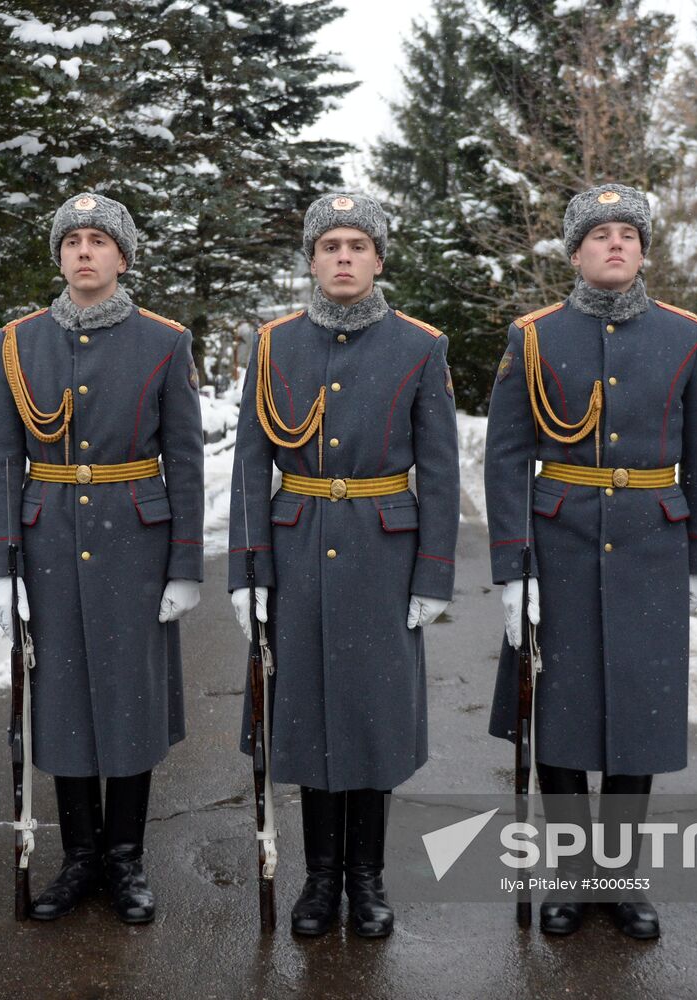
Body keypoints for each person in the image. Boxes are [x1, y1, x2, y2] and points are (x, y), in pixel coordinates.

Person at [484, 183, 697, 939]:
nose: (615, 244)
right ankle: (569, 873)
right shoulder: (534, 337)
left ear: (643, 251)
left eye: (628, 234)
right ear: (575, 253)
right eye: (599, 234)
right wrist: (512, 566)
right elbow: (505, 458)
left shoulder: (686, 336)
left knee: (638, 714)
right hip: (559, 542)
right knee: (556, 710)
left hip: (653, 541)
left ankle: (618, 876)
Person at [227, 192, 460, 938]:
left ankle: (367, 876)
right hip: (297, 547)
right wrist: (248, 571)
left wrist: (433, 573)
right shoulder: (275, 345)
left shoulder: (419, 345)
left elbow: (441, 470)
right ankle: (320, 876)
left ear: (379, 259)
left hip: (383, 552)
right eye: (330, 246)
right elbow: (250, 464)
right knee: (305, 715)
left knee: (372, 719)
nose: (344, 258)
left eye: (358, 245)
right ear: (312, 260)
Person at [0, 192, 204, 924]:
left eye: (98, 240)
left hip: (135, 541)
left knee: (131, 698)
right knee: (63, 700)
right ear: (59, 256)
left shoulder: (164, 341)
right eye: (72, 240)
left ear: (123, 258)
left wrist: (184, 565)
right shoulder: (19, 342)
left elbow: (185, 459)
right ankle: (79, 856)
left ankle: (125, 857)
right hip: (47, 537)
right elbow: (2, 459)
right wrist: (0, 564)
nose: (84, 250)